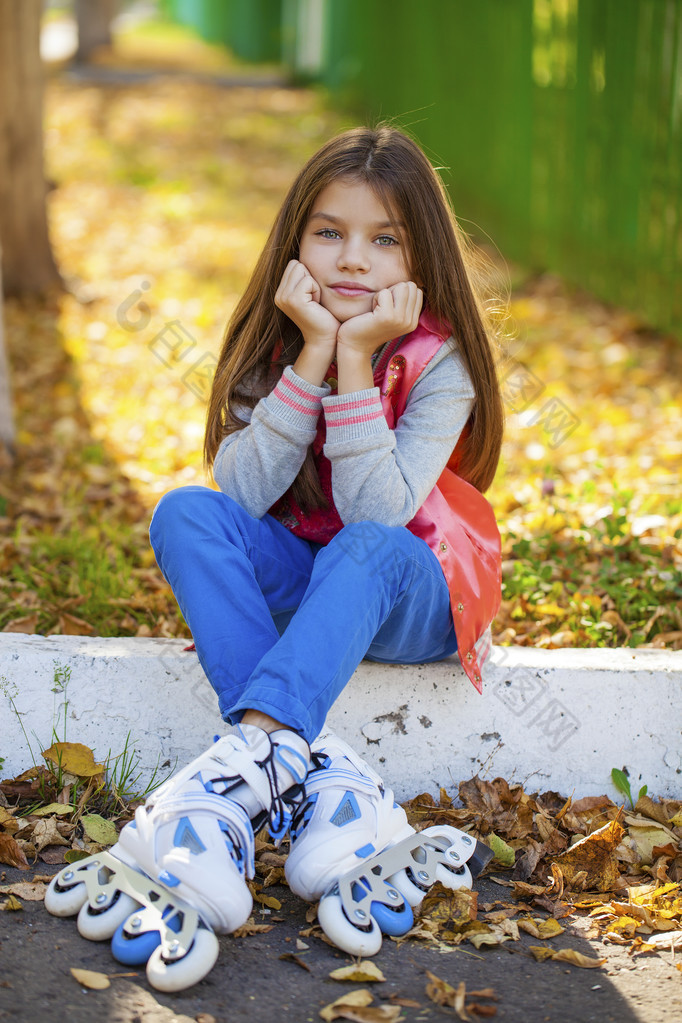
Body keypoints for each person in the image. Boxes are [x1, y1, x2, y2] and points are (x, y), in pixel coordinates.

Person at [101, 125, 503, 967]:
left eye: (383, 238)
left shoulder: (441, 361)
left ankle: (239, 775)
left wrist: (356, 361)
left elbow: (379, 511)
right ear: (296, 243)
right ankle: (307, 769)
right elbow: (240, 495)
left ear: (419, 251)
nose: (353, 259)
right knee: (186, 511)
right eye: (330, 232)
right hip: (315, 576)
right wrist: (314, 353)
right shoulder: (282, 335)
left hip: (412, 585)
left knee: (364, 548)